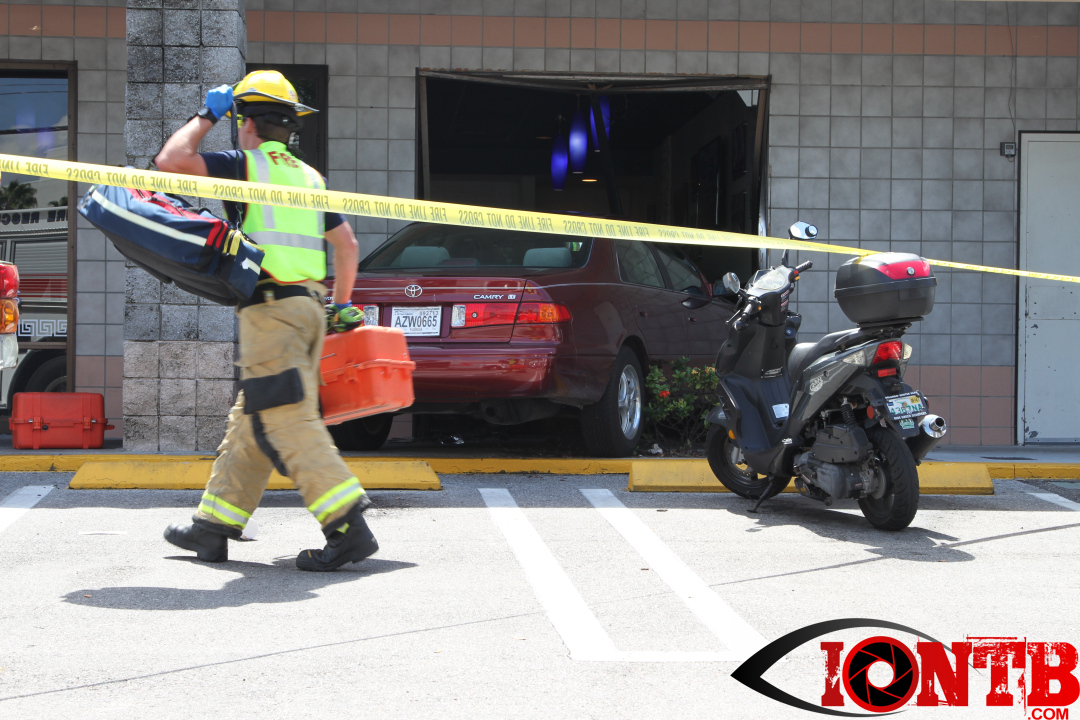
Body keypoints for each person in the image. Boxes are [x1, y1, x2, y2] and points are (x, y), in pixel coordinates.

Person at [155, 70, 377, 571]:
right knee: (253, 418)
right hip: (310, 310)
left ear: (247, 123)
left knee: (288, 418)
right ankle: (213, 526)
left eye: (237, 121)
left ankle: (347, 525)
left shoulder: (245, 165)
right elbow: (347, 246)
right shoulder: (310, 178)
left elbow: (169, 161)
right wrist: (340, 306)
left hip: (272, 310)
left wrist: (206, 115)